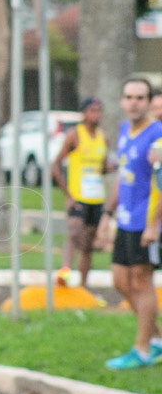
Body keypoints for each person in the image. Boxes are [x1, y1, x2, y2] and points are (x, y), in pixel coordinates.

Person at [96, 77, 162, 369]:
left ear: (149, 102)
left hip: (146, 222)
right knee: (120, 282)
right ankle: (157, 339)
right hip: (124, 220)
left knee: (142, 281)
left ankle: (143, 348)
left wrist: (154, 225)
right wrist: (106, 215)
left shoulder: (158, 136)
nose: (134, 102)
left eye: (140, 97)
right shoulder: (124, 131)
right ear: (122, 101)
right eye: (129, 97)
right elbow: (123, 179)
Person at [50, 97, 110, 288]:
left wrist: (114, 167)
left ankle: (84, 285)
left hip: (96, 197)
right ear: (84, 113)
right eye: (92, 110)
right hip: (78, 197)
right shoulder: (75, 135)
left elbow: (102, 167)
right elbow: (56, 165)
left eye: (99, 110)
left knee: (88, 243)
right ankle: (65, 275)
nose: (96, 114)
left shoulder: (103, 138)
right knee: (74, 233)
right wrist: (68, 194)